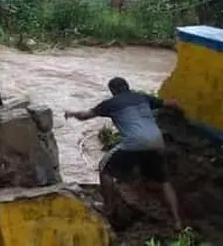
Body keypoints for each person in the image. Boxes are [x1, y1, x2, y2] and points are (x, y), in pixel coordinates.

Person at [64, 77, 182, 230]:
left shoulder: (110, 104)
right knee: (164, 182)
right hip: (157, 141)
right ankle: (178, 221)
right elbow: (171, 103)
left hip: (135, 142)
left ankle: (109, 208)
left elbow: (85, 116)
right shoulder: (142, 97)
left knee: (104, 169)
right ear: (128, 87)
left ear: (113, 91)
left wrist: (71, 113)